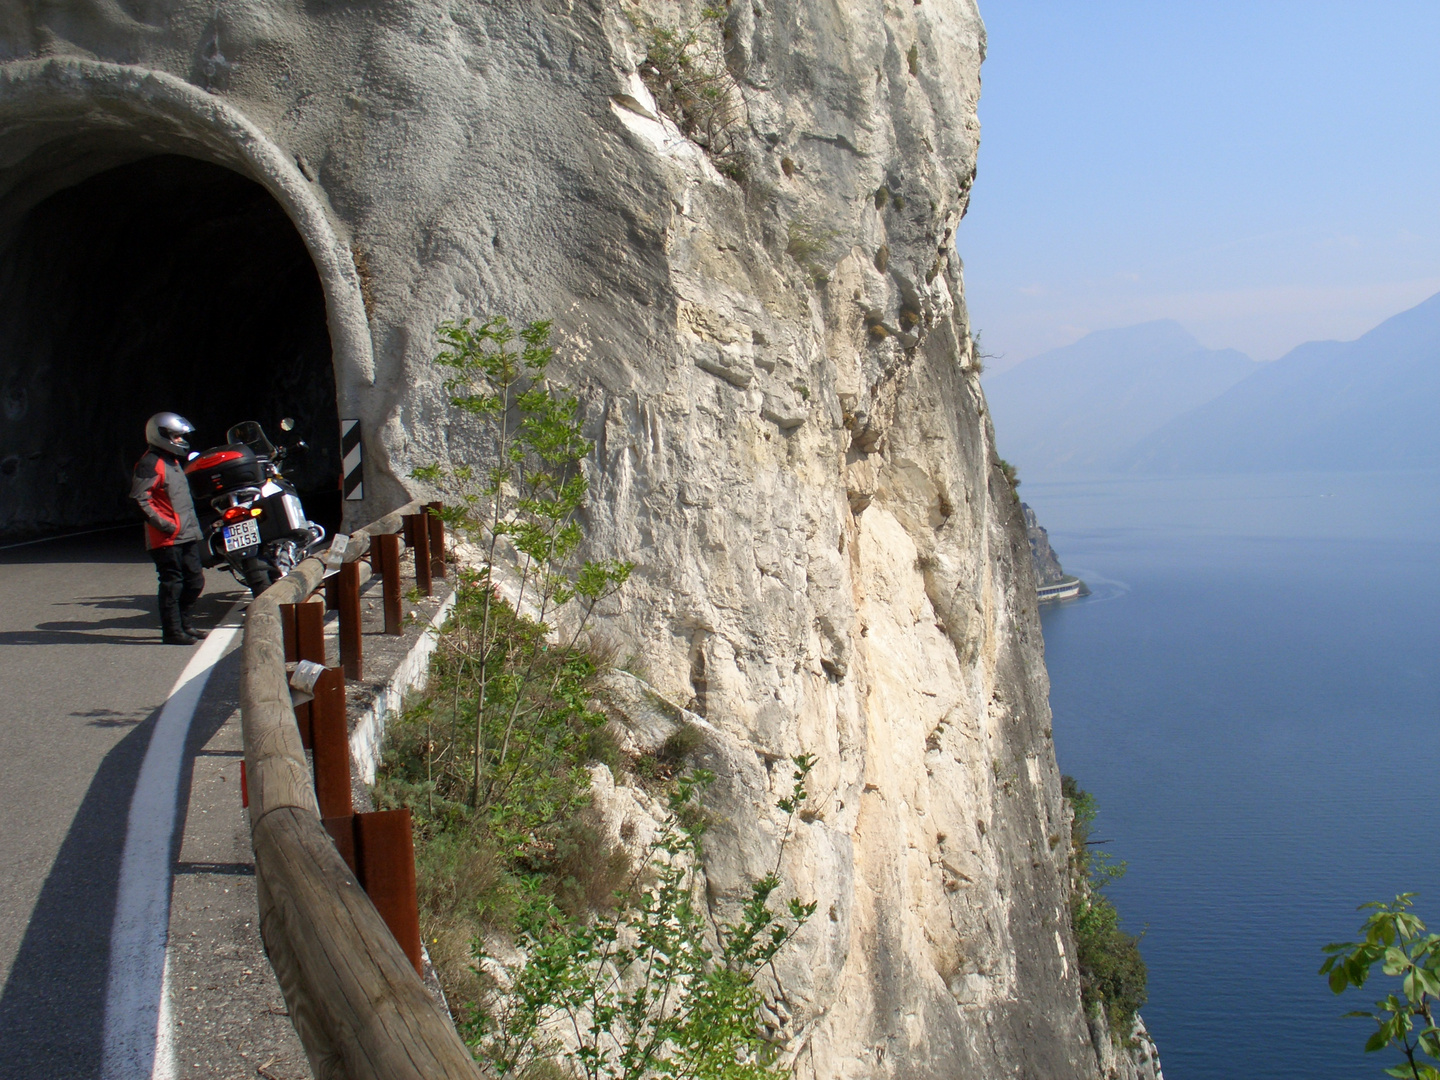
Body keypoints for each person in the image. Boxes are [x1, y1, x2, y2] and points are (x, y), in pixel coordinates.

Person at [131, 412, 207, 645]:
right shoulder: (150, 463)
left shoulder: (172, 462)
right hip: (166, 539)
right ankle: (172, 632)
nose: (180, 441)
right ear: (161, 435)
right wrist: (167, 525)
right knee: (172, 584)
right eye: (175, 436)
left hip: (186, 534)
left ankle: (186, 624)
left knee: (195, 580)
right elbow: (139, 499)